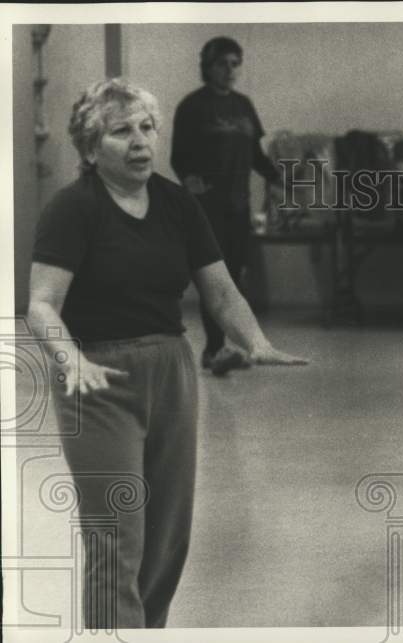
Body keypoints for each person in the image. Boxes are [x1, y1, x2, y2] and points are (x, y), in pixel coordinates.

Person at [27, 78, 307, 628]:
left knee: (166, 539)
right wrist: (70, 359)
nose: (140, 141)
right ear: (90, 149)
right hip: (97, 377)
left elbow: (220, 291)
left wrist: (256, 342)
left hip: (172, 372)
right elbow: (41, 304)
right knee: (117, 535)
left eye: (147, 127)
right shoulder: (73, 208)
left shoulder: (177, 203)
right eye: (121, 131)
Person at [171, 36, 283, 375]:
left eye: (235, 64)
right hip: (207, 207)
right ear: (208, 66)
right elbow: (178, 157)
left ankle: (231, 345)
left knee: (234, 276)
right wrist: (190, 181)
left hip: (239, 204)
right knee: (214, 278)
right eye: (223, 64)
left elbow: (255, 156)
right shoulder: (192, 106)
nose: (230, 70)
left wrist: (280, 178)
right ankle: (214, 348)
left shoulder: (244, 105)